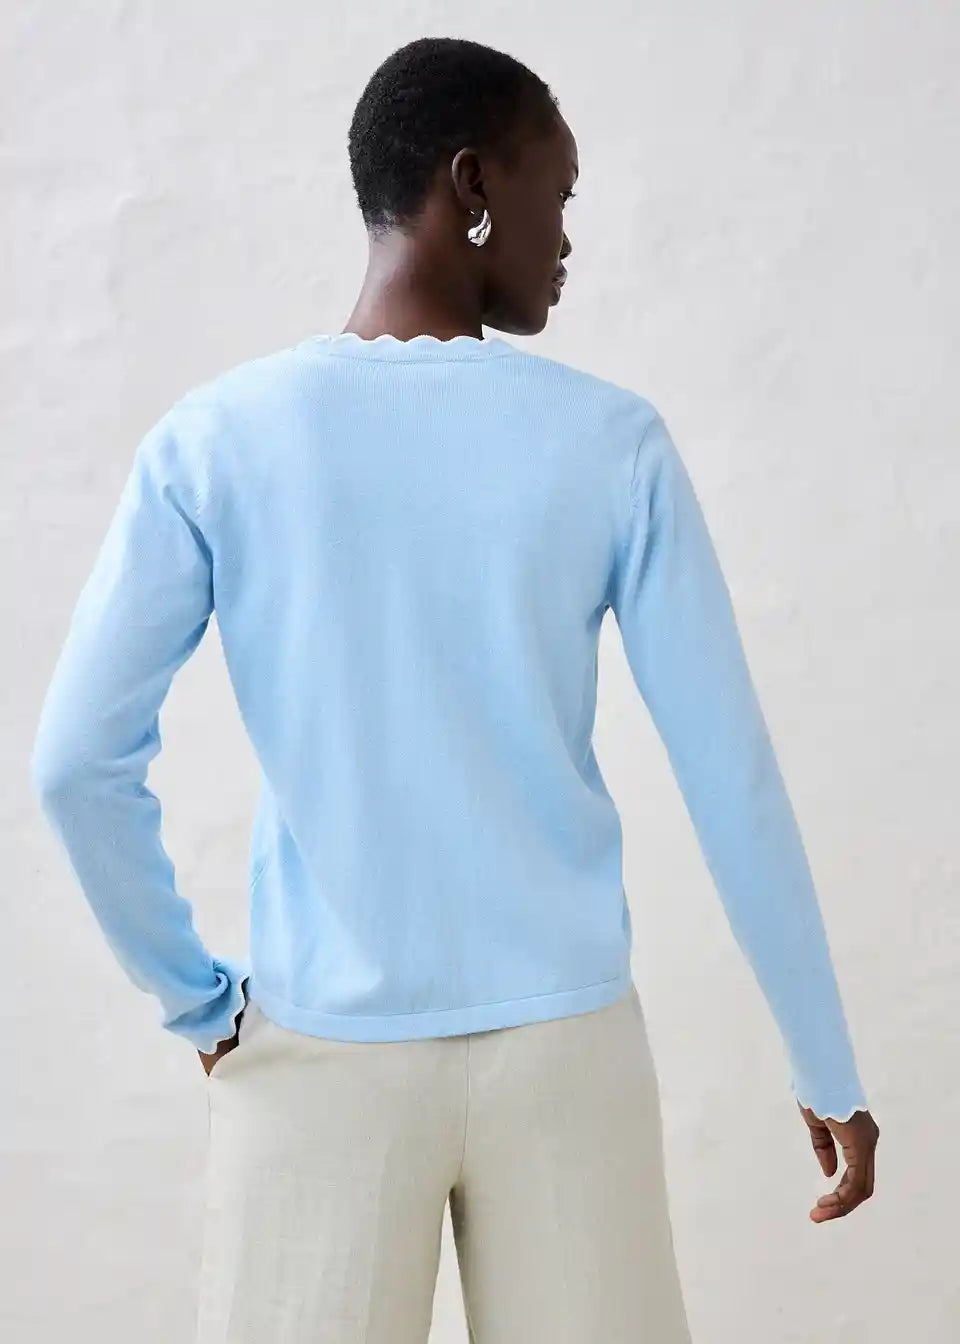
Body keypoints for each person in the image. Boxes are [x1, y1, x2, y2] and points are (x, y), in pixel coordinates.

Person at [30, 34, 878, 1344]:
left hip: (316, 1061)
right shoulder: (611, 444)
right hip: (567, 1056)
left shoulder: (218, 441)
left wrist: (196, 997)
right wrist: (825, 1063)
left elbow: (76, 763)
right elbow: (734, 781)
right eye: (560, 192)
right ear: (473, 182)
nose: (568, 235)